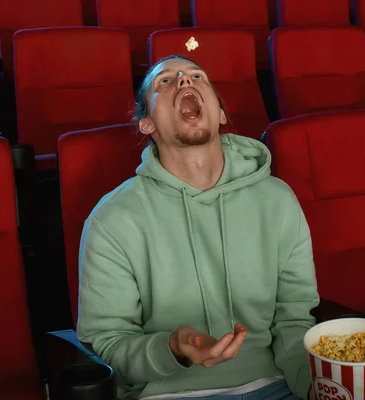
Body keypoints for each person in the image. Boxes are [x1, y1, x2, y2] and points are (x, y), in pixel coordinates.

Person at [76, 54, 319, 399]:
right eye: (165, 81)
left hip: (276, 385)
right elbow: (108, 342)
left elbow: (295, 318)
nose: (185, 81)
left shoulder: (277, 199)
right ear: (147, 124)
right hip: (167, 394)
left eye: (197, 76)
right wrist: (172, 348)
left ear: (220, 113)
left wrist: (314, 388)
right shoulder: (113, 219)